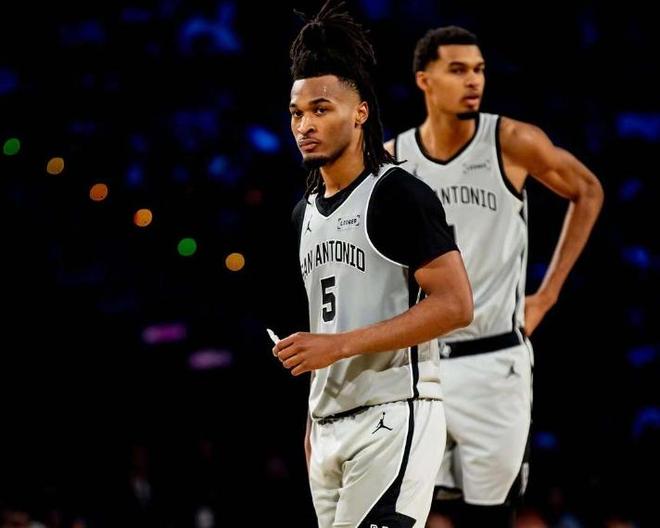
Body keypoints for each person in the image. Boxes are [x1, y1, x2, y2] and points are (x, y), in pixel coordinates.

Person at [385, 26, 604, 527]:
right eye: (458, 69)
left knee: (490, 517)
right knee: (416, 515)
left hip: (495, 359)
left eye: (479, 70)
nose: (474, 81)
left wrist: (547, 295)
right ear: (424, 79)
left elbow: (588, 190)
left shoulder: (510, 141)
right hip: (421, 365)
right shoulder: (395, 160)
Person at [272, 3, 474, 527]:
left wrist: (339, 346)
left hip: (394, 415)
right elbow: (328, 325)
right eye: (296, 113)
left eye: (321, 109)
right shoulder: (302, 214)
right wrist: (314, 415)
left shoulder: (397, 194)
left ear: (360, 111)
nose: (305, 125)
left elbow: (456, 305)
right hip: (327, 428)